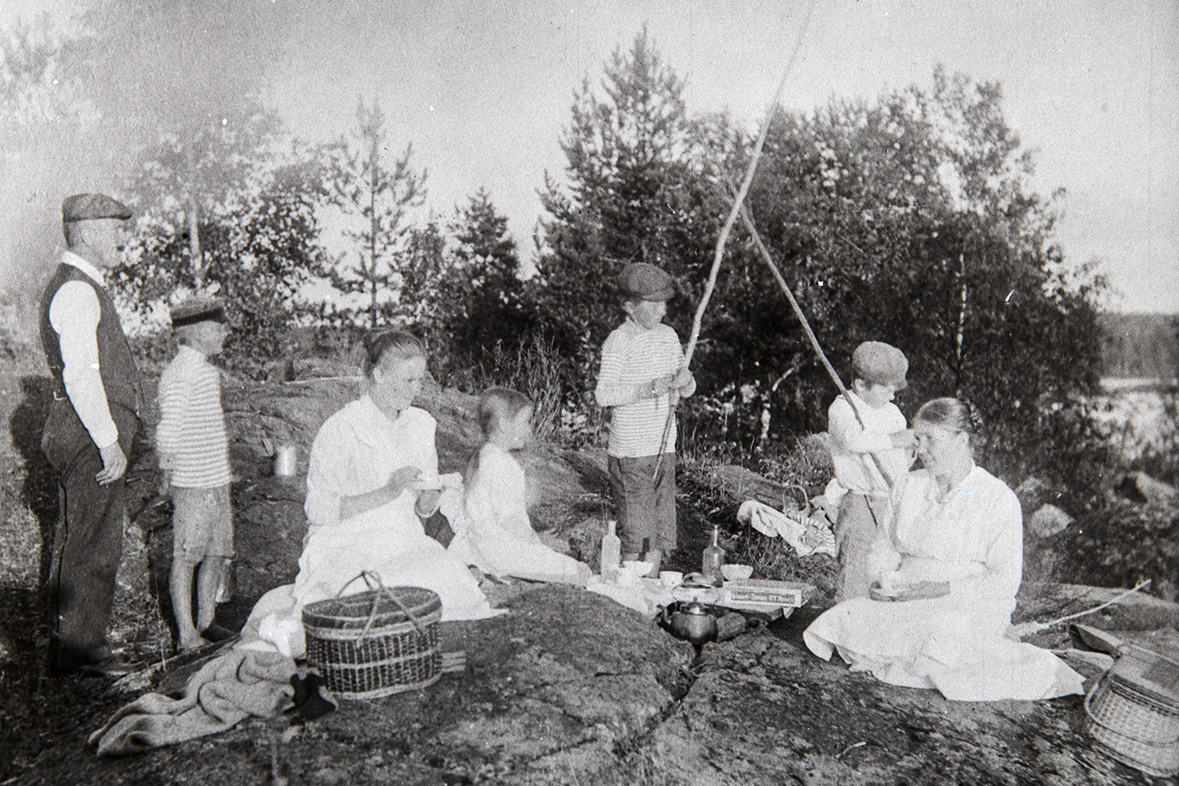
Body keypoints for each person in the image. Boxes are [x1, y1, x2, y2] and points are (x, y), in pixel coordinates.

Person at [803, 398, 1084, 701]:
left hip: (968, 603)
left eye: (930, 440)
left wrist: (937, 589)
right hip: (906, 596)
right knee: (845, 617)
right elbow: (884, 546)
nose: (919, 449)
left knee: (941, 634)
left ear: (961, 440)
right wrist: (884, 578)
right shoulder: (908, 486)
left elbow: (1004, 581)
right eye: (918, 438)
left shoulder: (997, 498)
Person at [242, 331, 498, 658]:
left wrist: (430, 497)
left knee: (449, 589)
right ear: (378, 375)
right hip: (346, 537)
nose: (415, 390)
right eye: (407, 380)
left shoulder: (421, 424)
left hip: (400, 537)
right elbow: (319, 510)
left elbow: (423, 511)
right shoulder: (342, 428)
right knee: (368, 597)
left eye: (419, 380)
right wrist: (388, 490)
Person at [39, 193, 142, 677]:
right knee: (94, 539)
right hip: (86, 435)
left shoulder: (82, 286)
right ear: (86, 232)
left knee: (86, 534)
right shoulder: (78, 290)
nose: (124, 237)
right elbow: (81, 374)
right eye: (116, 228)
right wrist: (107, 441)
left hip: (83, 432)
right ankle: (81, 651)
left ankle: (75, 646)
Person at [594, 263, 695, 577]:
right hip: (632, 453)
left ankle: (651, 590)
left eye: (664, 304)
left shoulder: (668, 337)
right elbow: (603, 394)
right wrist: (647, 389)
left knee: (659, 530)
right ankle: (634, 593)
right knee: (638, 532)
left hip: (663, 446)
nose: (662, 311)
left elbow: (688, 387)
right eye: (653, 305)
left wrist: (686, 381)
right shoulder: (619, 341)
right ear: (629, 306)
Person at [445, 388, 592, 585]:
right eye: (525, 422)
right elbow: (510, 522)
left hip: (483, 544)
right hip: (499, 548)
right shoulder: (499, 463)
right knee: (576, 570)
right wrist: (537, 545)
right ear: (503, 426)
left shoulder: (486, 456)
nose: (529, 429)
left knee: (554, 561)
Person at [156, 296, 234, 652]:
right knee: (187, 555)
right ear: (199, 331)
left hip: (216, 479)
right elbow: (168, 430)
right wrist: (168, 474)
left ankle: (207, 620)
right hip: (192, 483)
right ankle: (187, 634)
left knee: (218, 552)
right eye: (219, 328)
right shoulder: (181, 372)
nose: (225, 333)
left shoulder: (204, 370)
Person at [824, 341, 916, 601]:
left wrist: (909, 452)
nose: (892, 395)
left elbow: (899, 460)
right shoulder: (843, 408)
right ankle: (843, 630)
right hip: (860, 501)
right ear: (861, 385)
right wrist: (896, 440)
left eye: (895, 389)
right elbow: (854, 441)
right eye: (886, 389)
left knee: (886, 567)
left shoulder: (892, 413)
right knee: (855, 564)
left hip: (890, 499)